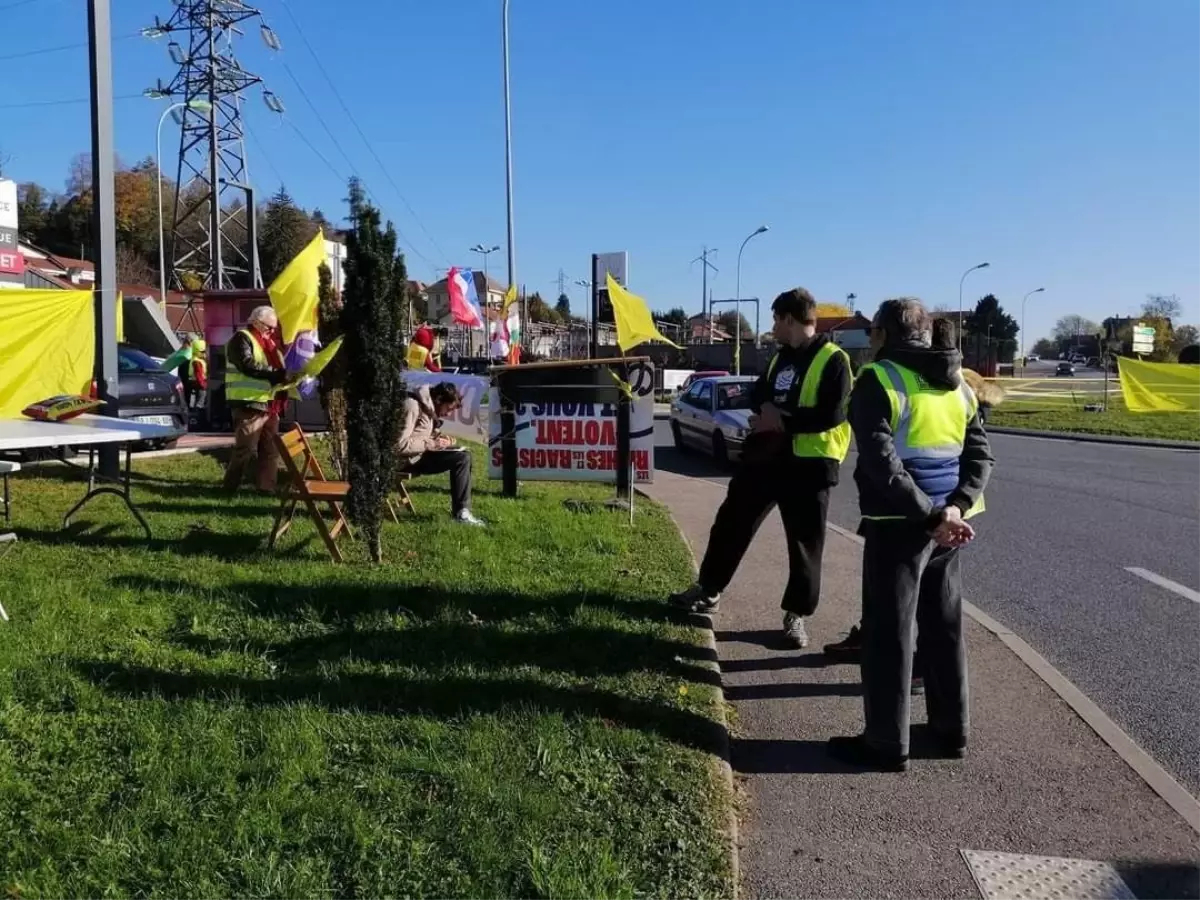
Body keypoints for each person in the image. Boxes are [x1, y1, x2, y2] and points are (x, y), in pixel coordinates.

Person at [828, 298, 994, 772]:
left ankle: (885, 742)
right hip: (948, 529)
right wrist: (954, 509)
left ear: (880, 334)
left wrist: (930, 517)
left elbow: (882, 464)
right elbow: (980, 456)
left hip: (900, 526)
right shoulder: (957, 383)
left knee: (888, 633)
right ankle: (950, 730)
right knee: (944, 629)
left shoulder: (878, 380)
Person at [668, 287, 853, 647]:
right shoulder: (779, 357)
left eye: (776, 320)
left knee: (804, 544)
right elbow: (759, 393)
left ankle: (796, 615)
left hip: (810, 464)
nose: (773, 327)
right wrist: (764, 411)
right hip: (766, 458)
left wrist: (781, 420)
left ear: (789, 319)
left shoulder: (834, 359)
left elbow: (834, 414)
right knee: (731, 522)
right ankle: (708, 590)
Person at [395, 382, 485, 526]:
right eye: (448, 409)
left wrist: (440, 439)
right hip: (404, 462)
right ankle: (461, 513)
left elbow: (421, 434)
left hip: (418, 456)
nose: (448, 414)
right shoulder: (412, 406)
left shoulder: (428, 408)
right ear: (438, 400)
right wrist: (432, 444)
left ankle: (462, 512)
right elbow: (398, 445)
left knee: (463, 456)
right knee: (461, 458)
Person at [222, 306, 289, 493]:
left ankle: (267, 487)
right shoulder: (241, 338)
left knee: (270, 449)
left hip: (269, 403)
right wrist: (277, 374)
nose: (272, 331)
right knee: (246, 449)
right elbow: (247, 364)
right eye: (269, 327)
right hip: (247, 402)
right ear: (257, 322)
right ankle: (230, 487)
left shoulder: (268, 343)